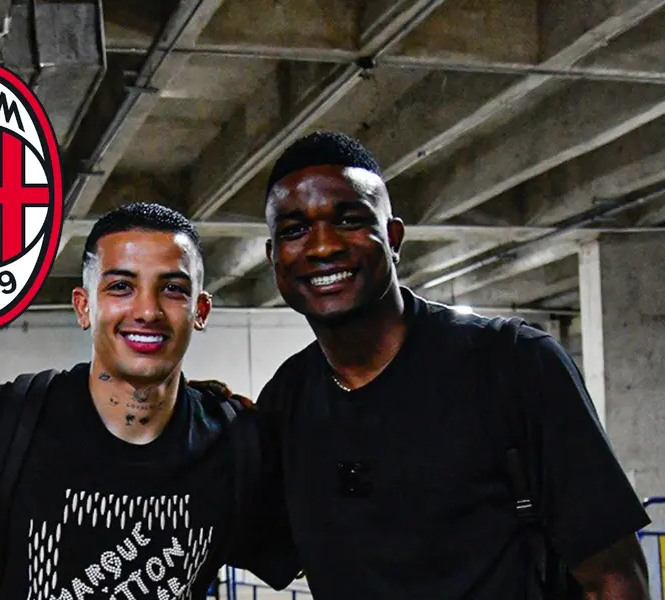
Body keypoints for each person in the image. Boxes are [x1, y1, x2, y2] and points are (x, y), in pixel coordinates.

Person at [255, 130, 652, 599]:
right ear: (273, 257)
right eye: (295, 229)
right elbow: (264, 544)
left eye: (349, 219)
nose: (322, 246)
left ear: (393, 238)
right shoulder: (287, 401)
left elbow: (613, 578)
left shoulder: (514, 363)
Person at [0, 202, 297, 600]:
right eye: (121, 286)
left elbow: (319, 552)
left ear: (200, 310)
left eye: (172, 289)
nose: (147, 310)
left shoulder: (238, 442)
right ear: (84, 307)